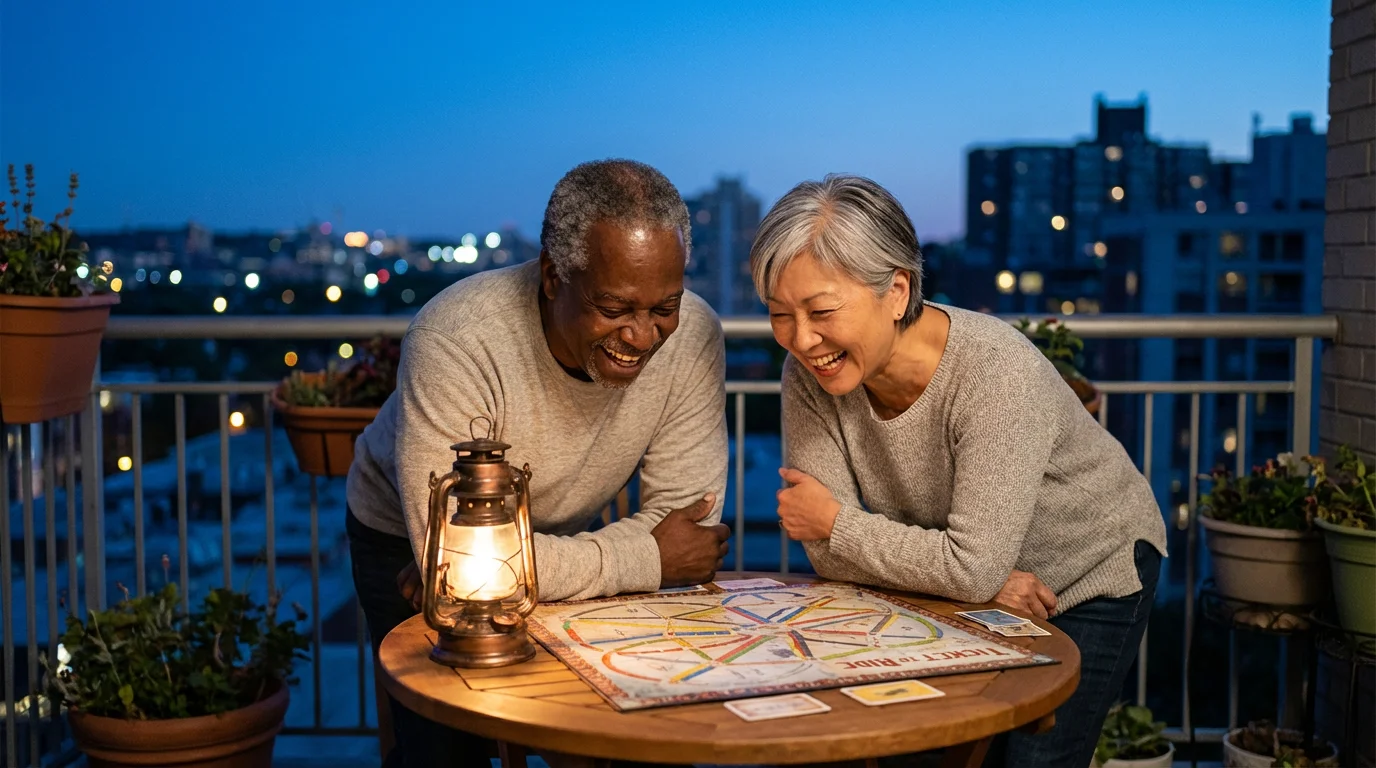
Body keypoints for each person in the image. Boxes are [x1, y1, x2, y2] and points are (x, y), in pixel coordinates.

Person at [750, 174, 1168, 768]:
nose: (801, 340)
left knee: (1033, 761)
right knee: (921, 747)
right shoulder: (810, 377)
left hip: (1086, 572)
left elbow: (837, 532)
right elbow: (829, 557)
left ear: (896, 291)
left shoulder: (994, 373)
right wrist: (976, 578)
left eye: (820, 311)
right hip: (972, 586)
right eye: (779, 316)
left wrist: (846, 526)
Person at [346, 159, 731, 767]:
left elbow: (690, 523)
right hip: (397, 533)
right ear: (554, 277)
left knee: (599, 729)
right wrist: (647, 557)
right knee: (446, 748)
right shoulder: (459, 338)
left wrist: (521, 570)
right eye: (614, 308)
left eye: (664, 307)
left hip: (554, 533)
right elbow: (452, 565)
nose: (644, 336)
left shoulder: (695, 337)